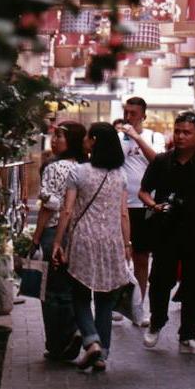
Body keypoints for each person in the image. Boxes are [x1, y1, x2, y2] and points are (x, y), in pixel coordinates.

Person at [138, 111, 195, 355]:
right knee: (160, 280)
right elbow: (143, 191)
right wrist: (153, 205)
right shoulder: (161, 161)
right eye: (177, 131)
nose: (180, 136)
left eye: (186, 132)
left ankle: (189, 336)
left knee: (194, 283)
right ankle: (157, 322)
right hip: (165, 228)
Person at [51, 122, 131, 374]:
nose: (84, 140)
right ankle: (101, 356)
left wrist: (57, 242)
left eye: (87, 137)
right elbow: (123, 214)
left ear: (94, 140)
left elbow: (67, 210)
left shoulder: (79, 172)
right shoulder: (121, 175)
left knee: (80, 295)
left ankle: (91, 341)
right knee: (105, 299)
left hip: (83, 239)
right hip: (111, 241)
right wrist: (127, 244)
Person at [30, 121, 86, 362]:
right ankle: (75, 329)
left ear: (71, 141)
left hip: (54, 231)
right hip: (81, 234)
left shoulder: (53, 168)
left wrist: (35, 237)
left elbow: (49, 205)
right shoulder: (87, 167)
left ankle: (57, 344)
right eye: (54, 136)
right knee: (72, 287)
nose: (54, 141)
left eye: (60, 137)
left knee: (52, 290)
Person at [114, 96, 164, 326]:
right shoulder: (117, 138)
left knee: (141, 258)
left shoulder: (155, 137)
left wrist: (136, 138)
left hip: (145, 205)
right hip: (122, 206)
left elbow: (158, 162)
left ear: (143, 115)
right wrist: (124, 138)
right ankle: (118, 303)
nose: (128, 117)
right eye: (126, 112)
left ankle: (139, 307)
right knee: (119, 258)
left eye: (133, 113)